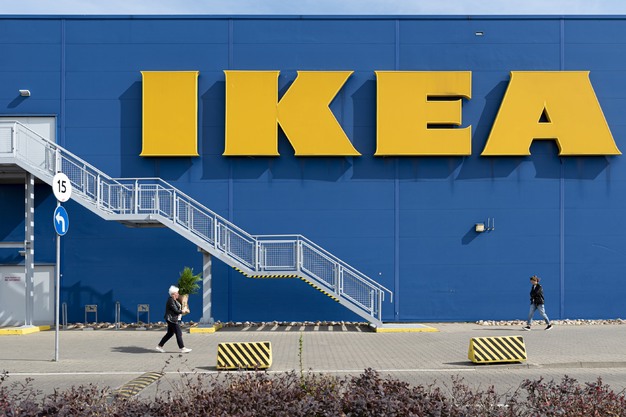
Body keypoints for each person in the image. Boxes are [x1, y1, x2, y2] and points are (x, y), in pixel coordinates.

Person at [156, 285, 192, 353]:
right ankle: (182, 348)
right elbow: (176, 310)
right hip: (172, 319)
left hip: (173, 319)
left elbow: (178, 308)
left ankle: (159, 346)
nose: (178, 294)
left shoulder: (175, 300)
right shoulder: (170, 300)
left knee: (170, 333)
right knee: (179, 333)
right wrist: (183, 311)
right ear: (173, 294)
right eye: (177, 293)